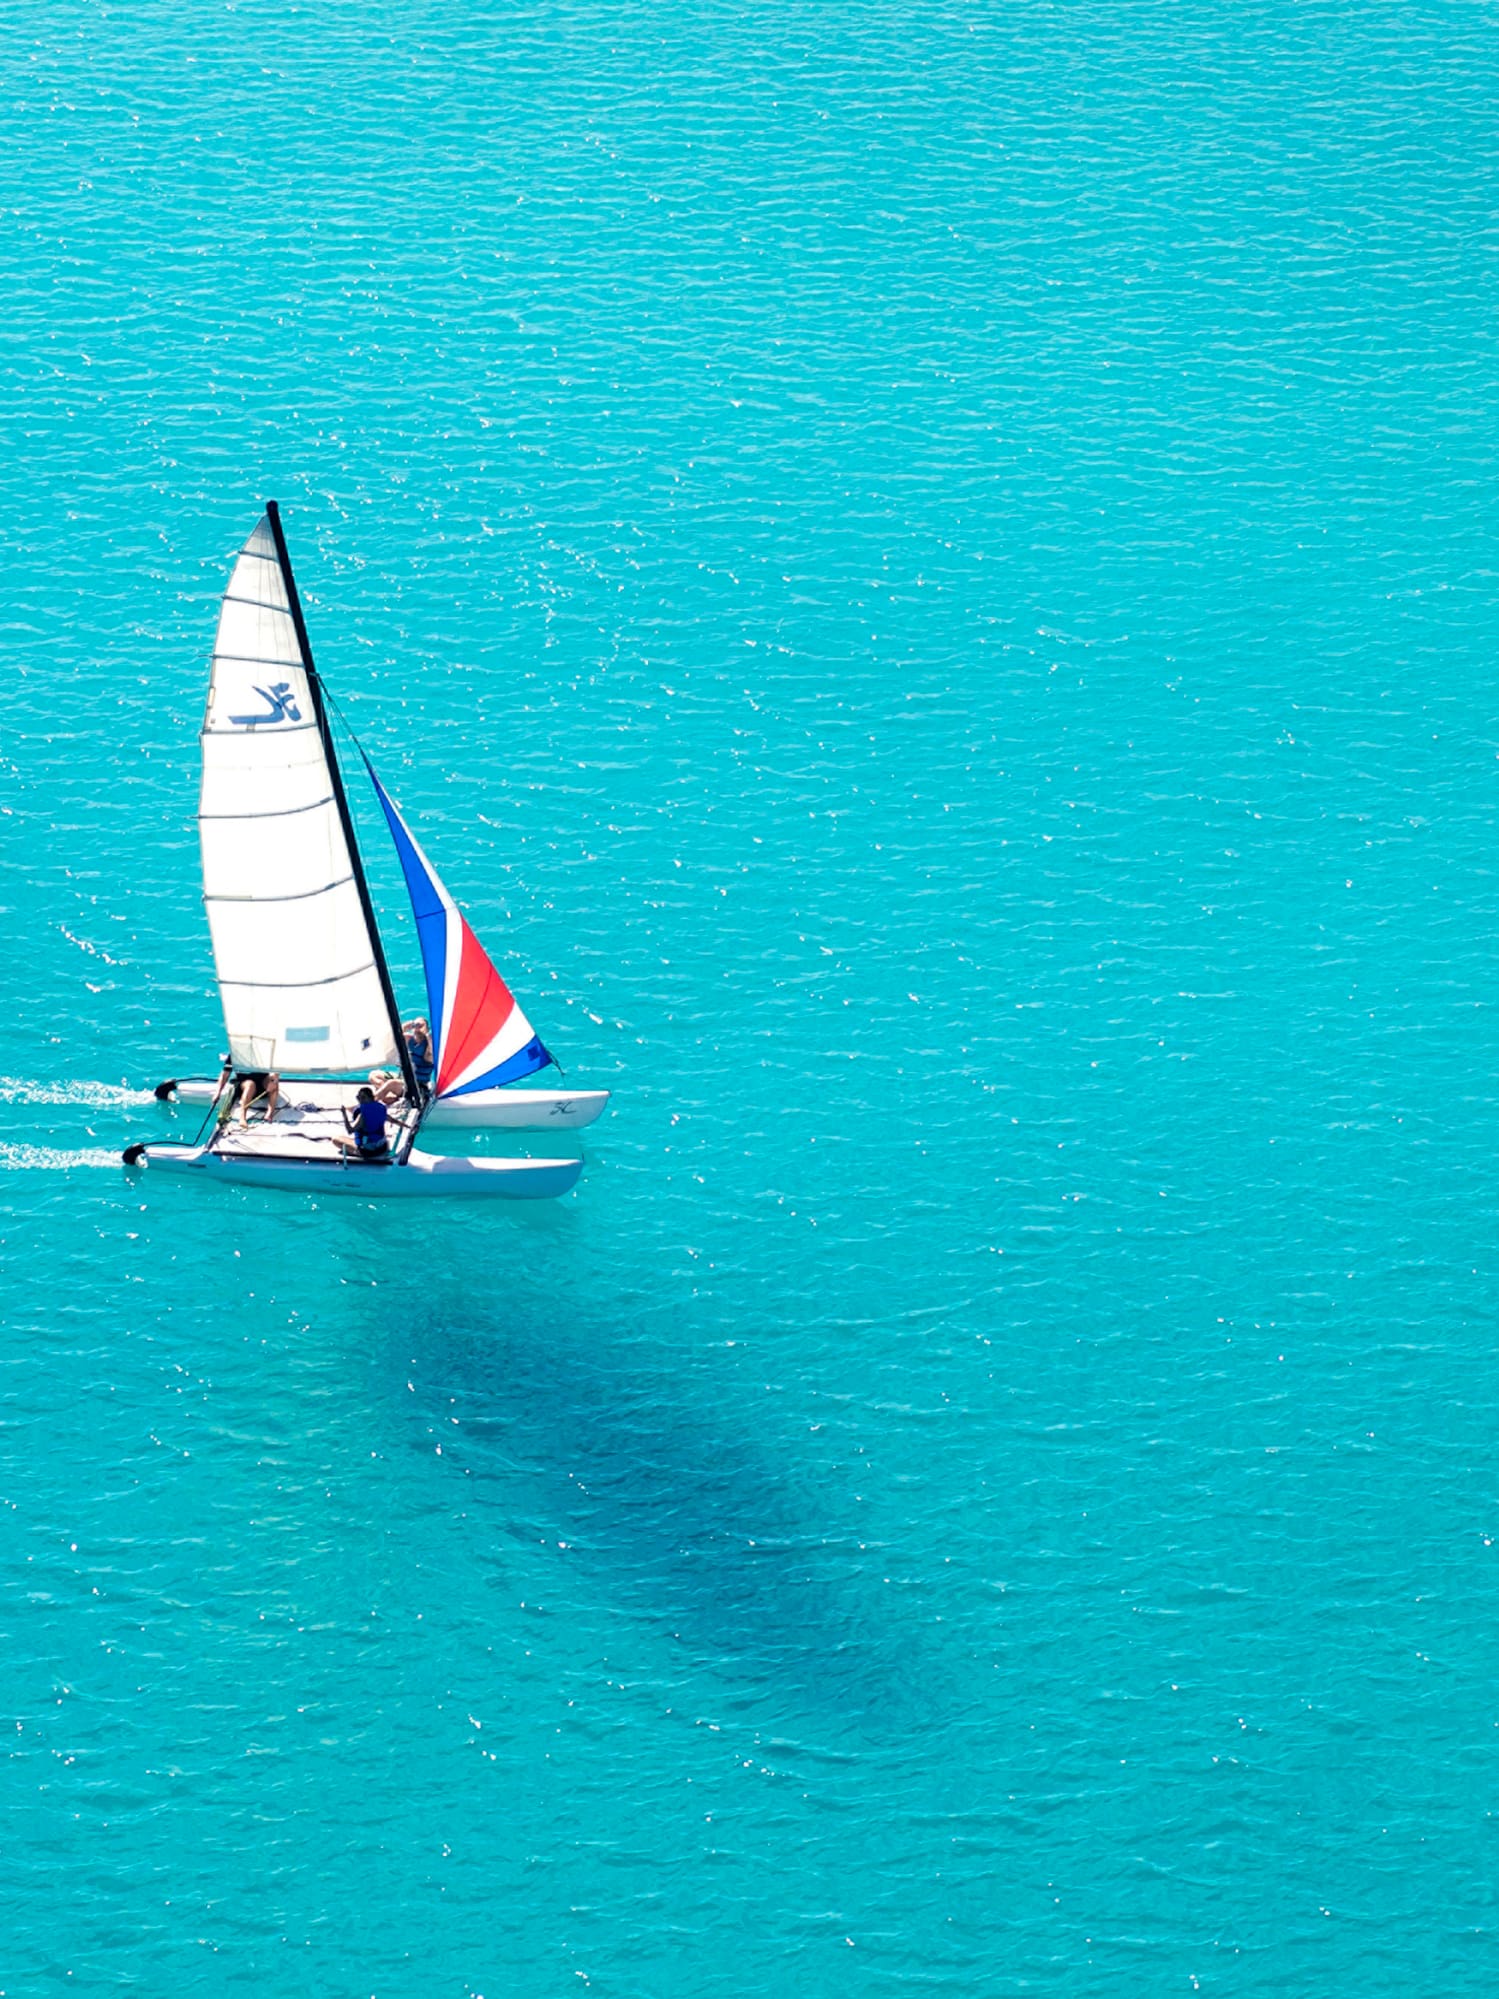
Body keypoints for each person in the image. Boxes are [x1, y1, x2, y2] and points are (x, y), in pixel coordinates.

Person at [337, 1086, 391, 1162]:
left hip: (368, 1151)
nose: (360, 1100)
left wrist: (344, 1114)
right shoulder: (381, 1108)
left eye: (363, 1097)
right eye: (358, 1097)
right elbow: (392, 1119)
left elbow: (350, 1130)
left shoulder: (362, 1114)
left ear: (371, 1098)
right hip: (382, 1146)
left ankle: (356, 1152)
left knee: (336, 1139)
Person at [403, 1017, 434, 1088]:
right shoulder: (409, 1039)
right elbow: (393, 1039)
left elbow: (431, 1056)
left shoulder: (428, 1044)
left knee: (392, 1084)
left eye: (420, 1026)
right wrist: (404, 1027)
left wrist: (427, 1034)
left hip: (418, 1084)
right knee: (376, 1076)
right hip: (404, 1079)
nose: (417, 1029)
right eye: (415, 1026)